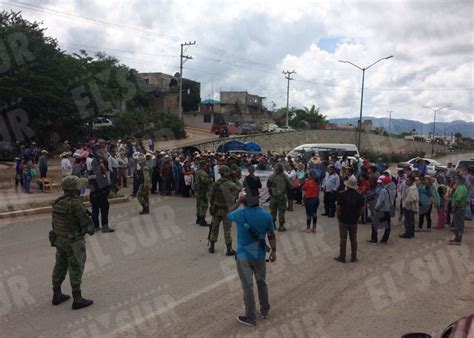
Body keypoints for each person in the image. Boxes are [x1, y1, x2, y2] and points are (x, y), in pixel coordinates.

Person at [227, 193, 277, 326]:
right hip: (259, 255)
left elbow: (227, 213)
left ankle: (250, 318)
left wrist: (238, 202)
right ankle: (265, 311)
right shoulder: (267, 215)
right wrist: (273, 251)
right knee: (262, 283)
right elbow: (271, 235)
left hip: (243, 256)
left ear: (245, 201)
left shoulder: (239, 214)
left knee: (248, 287)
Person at [50, 176, 95, 310]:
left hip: (60, 240)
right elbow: (87, 225)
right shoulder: (75, 203)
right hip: (73, 241)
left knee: (60, 265)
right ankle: (78, 299)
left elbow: (54, 223)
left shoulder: (58, 202)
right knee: (75, 268)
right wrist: (90, 228)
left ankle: (56, 294)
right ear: (75, 188)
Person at [208, 165, 239, 255]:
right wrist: (236, 179)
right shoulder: (229, 184)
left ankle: (212, 246)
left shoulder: (216, 183)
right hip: (226, 210)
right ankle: (229, 249)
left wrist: (212, 205)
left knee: (214, 227)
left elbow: (211, 196)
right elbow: (239, 188)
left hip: (216, 209)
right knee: (227, 229)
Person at [334, 176, 364, 263]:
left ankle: (342, 256)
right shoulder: (359, 195)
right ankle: (353, 257)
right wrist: (358, 216)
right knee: (353, 238)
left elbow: (338, 207)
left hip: (343, 219)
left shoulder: (341, 194)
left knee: (343, 239)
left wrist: (338, 216)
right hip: (354, 220)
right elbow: (362, 208)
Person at [89, 158, 114, 233]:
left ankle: (95, 226)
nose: (102, 164)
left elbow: (89, 183)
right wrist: (108, 191)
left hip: (93, 195)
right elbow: (104, 184)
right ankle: (105, 227)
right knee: (104, 210)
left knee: (95, 211)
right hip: (101, 195)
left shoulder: (90, 172)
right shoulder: (100, 172)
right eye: (100, 163)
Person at [368, 175, 396, 244]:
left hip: (382, 210)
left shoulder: (383, 190)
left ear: (385, 183)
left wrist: (376, 208)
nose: (381, 183)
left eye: (382, 182)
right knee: (388, 225)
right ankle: (384, 239)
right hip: (388, 209)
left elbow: (380, 201)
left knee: (374, 224)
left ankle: (374, 239)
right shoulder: (394, 190)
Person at [266, 163, 291, 232]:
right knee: (281, 211)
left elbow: (268, 185)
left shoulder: (272, 176)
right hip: (282, 197)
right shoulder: (285, 176)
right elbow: (290, 186)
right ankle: (281, 226)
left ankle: (273, 225)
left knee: (272, 211)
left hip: (273, 197)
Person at [449, 176, 469, 245]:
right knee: (459, 224)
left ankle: (457, 239)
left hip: (458, 208)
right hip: (461, 208)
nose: (456, 181)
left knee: (458, 224)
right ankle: (457, 238)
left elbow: (458, 199)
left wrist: (454, 206)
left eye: (457, 180)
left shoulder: (460, 188)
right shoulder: (464, 188)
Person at [194, 161, 212, 226]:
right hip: (202, 190)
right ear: (204, 166)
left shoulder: (197, 172)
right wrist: (210, 179)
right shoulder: (203, 173)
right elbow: (205, 180)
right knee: (204, 205)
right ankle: (202, 220)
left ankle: (198, 219)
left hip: (198, 190)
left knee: (199, 204)